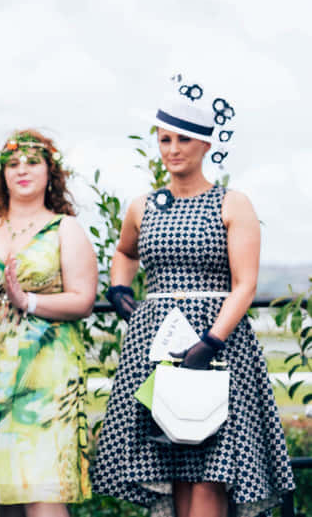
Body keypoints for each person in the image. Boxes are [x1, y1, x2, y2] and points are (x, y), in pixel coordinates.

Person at [91, 80, 295, 517]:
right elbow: (124, 253)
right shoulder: (143, 206)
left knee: (209, 472)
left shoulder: (232, 203)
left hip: (217, 345)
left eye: (184, 138)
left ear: (205, 144)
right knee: (173, 468)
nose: (173, 148)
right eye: (165, 139)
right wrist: (120, 289)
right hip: (157, 344)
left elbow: (245, 285)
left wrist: (211, 342)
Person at [0, 130, 97, 516]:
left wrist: (28, 300)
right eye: (13, 163)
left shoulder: (64, 228)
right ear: (1, 173)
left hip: (47, 381)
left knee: (43, 492)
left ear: (51, 172)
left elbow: (83, 300)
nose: (22, 170)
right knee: (0, 497)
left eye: (33, 162)